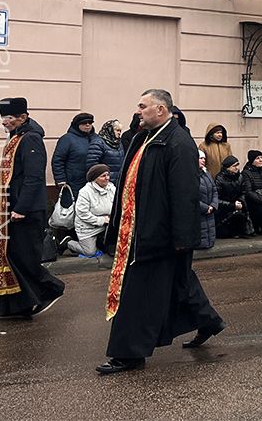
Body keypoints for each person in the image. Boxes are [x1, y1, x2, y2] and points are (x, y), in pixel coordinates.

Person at [98, 89, 224, 375]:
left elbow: (183, 195)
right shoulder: (146, 137)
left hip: (159, 236)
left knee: (139, 295)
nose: (138, 111)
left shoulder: (178, 143)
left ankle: (128, 354)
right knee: (180, 284)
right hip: (139, 231)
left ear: (161, 110)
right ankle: (208, 321)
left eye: (143, 106)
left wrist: (182, 239)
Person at [0, 98, 65, 319]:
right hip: (13, 208)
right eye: (3, 118)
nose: (4, 122)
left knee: (24, 258)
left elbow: (33, 178)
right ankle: (15, 306)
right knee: (11, 256)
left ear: (23, 117)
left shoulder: (30, 139)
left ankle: (50, 290)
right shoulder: (17, 137)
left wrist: (21, 208)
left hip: (26, 210)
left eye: (9, 118)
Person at [52, 112, 103, 200]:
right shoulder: (67, 139)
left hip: (94, 182)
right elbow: (58, 160)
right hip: (73, 182)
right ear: (76, 125)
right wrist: (61, 180)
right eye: (84, 123)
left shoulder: (97, 139)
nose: (87, 125)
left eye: (90, 123)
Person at [66, 164, 114, 257]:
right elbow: (82, 214)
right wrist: (102, 220)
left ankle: (102, 244)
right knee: (89, 252)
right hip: (87, 227)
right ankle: (68, 243)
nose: (107, 178)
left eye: (108, 175)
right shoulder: (85, 192)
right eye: (103, 176)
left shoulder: (112, 188)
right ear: (95, 178)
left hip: (107, 225)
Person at [240, 150, 262, 235]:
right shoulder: (246, 173)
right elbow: (249, 191)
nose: (260, 160)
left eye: (261, 157)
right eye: (257, 158)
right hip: (255, 202)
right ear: (252, 161)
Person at [213, 156, 249, 239]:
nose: (237, 168)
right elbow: (216, 198)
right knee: (223, 234)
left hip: (237, 205)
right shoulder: (219, 178)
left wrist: (240, 201)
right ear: (228, 167)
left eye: (237, 165)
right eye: (234, 166)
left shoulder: (240, 177)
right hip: (224, 208)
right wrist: (232, 205)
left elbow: (243, 192)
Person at [197, 150, 218, 250]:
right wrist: (205, 208)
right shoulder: (190, 175)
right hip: (199, 211)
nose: (203, 160)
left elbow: (214, 190)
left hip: (210, 209)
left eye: (204, 158)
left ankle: (209, 242)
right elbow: (190, 196)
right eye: (201, 158)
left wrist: (213, 205)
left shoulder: (206, 174)